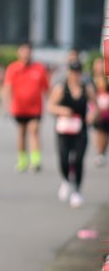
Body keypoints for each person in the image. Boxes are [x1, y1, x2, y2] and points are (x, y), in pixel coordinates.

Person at [48, 58, 95, 207]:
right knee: (64, 159)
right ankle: (66, 180)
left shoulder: (86, 88)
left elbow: (95, 106)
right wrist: (61, 110)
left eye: (78, 72)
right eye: (73, 72)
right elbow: (51, 106)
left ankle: (77, 191)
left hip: (80, 129)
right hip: (64, 129)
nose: (75, 75)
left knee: (78, 160)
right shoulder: (61, 88)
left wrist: (92, 115)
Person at [2, 42, 49, 173]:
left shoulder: (39, 69)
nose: (26, 55)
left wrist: (51, 103)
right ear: (19, 53)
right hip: (19, 108)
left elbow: (46, 88)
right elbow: (7, 87)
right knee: (21, 133)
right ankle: (22, 160)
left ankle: (35, 160)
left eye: (28, 52)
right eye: (23, 52)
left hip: (35, 108)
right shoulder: (13, 68)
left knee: (34, 131)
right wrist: (5, 105)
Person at [91, 58, 109, 166]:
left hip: (106, 109)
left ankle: (103, 152)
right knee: (98, 130)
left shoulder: (107, 79)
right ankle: (99, 152)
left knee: (105, 132)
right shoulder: (92, 79)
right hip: (97, 108)